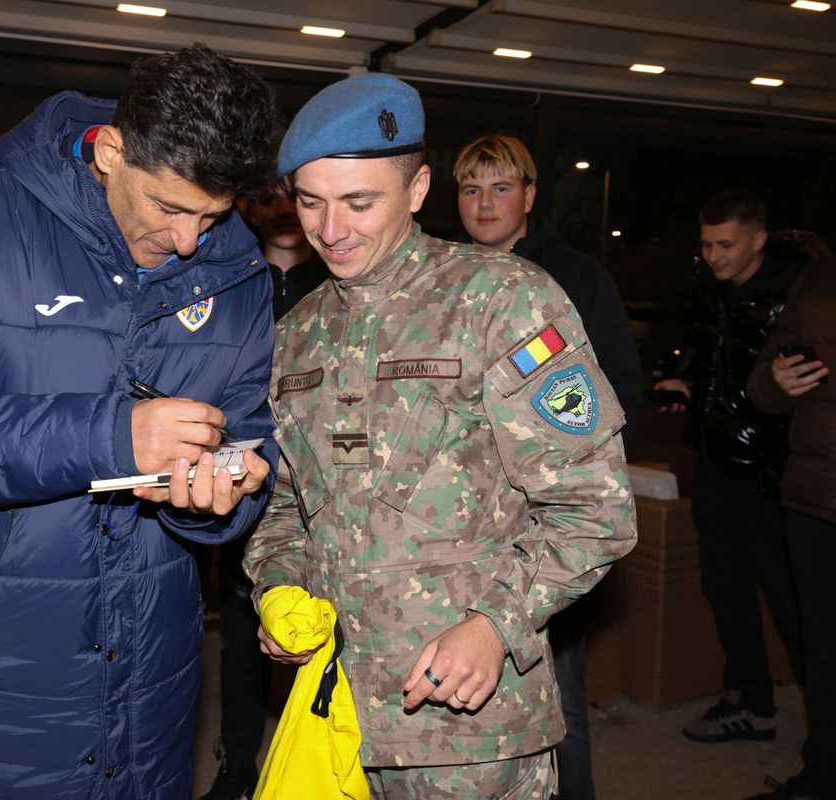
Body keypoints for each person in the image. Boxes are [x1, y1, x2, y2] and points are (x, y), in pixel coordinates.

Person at [0, 44, 280, 800]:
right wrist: (113, 435)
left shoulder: (236, 265)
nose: (188, 242)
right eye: (170, 208)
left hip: (153, 679)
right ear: (112, 152)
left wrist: (230, 493)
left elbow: (247, 427)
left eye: (211, 216)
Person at [244, 73, 636, 799]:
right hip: (334, 716)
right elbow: (284, 512)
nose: (331, 230)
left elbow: (596, 509)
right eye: (310, 201)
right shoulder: (295, 338)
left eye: (359, 203)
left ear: (418, 189)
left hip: (470, 732)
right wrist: (277, 586)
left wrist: (494, 624)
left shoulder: (502, 299)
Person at [453, 133, 643, 800]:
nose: (484, 203)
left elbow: (621, 389)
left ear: (529, 196)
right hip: (456, 538)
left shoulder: (579, 279)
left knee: (557, 700)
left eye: (500, 187)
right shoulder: (443, 280)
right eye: (471, 189)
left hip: (546, 531)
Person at [654, 189, 805, 745]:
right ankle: (752, 700)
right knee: (725, 586)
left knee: (792, 597)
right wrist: (685, 387)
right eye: (706, 244)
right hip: (716, 462)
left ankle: (824, 724)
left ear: (758, 240)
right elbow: (717, 371)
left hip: (771, 472)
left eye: (725, 244)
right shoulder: (712, 295)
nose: (713, 255)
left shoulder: (794, 296)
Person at [204, 180, 328, 800]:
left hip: (329, 492)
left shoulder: (338, 278)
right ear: (249, 206)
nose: (284, 212)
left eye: (294, 199)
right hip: (253, 483)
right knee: (244, 639)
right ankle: (238, 765)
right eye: (272, 198)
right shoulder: (230, 278)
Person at [747, 251, 836, 800]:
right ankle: (822, 776)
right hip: (814, 497)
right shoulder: (820, 275)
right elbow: (759, 384)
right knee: (822, 653)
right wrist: (776, 381)